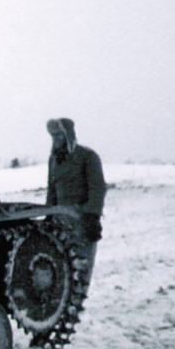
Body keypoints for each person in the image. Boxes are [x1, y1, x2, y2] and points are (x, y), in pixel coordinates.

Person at [45, 117, 107, 282]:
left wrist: (92, 216)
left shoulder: (87, 156)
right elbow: (52, 192)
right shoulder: (53, 161)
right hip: (60, 225)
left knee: (81, 268)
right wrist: (48, 215)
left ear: (69, 135)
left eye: (59, 135)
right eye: (53, 136)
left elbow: (97, 188)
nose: (56, 140)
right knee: (62, 272)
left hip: (81, 222)